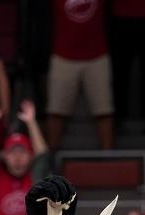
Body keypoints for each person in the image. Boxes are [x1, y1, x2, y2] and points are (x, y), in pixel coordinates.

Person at [45, 0, 113, 150]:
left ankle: (108, 157)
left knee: (104, 110)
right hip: (63, 55)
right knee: (56, 110)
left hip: (97, 55)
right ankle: (50, 157)